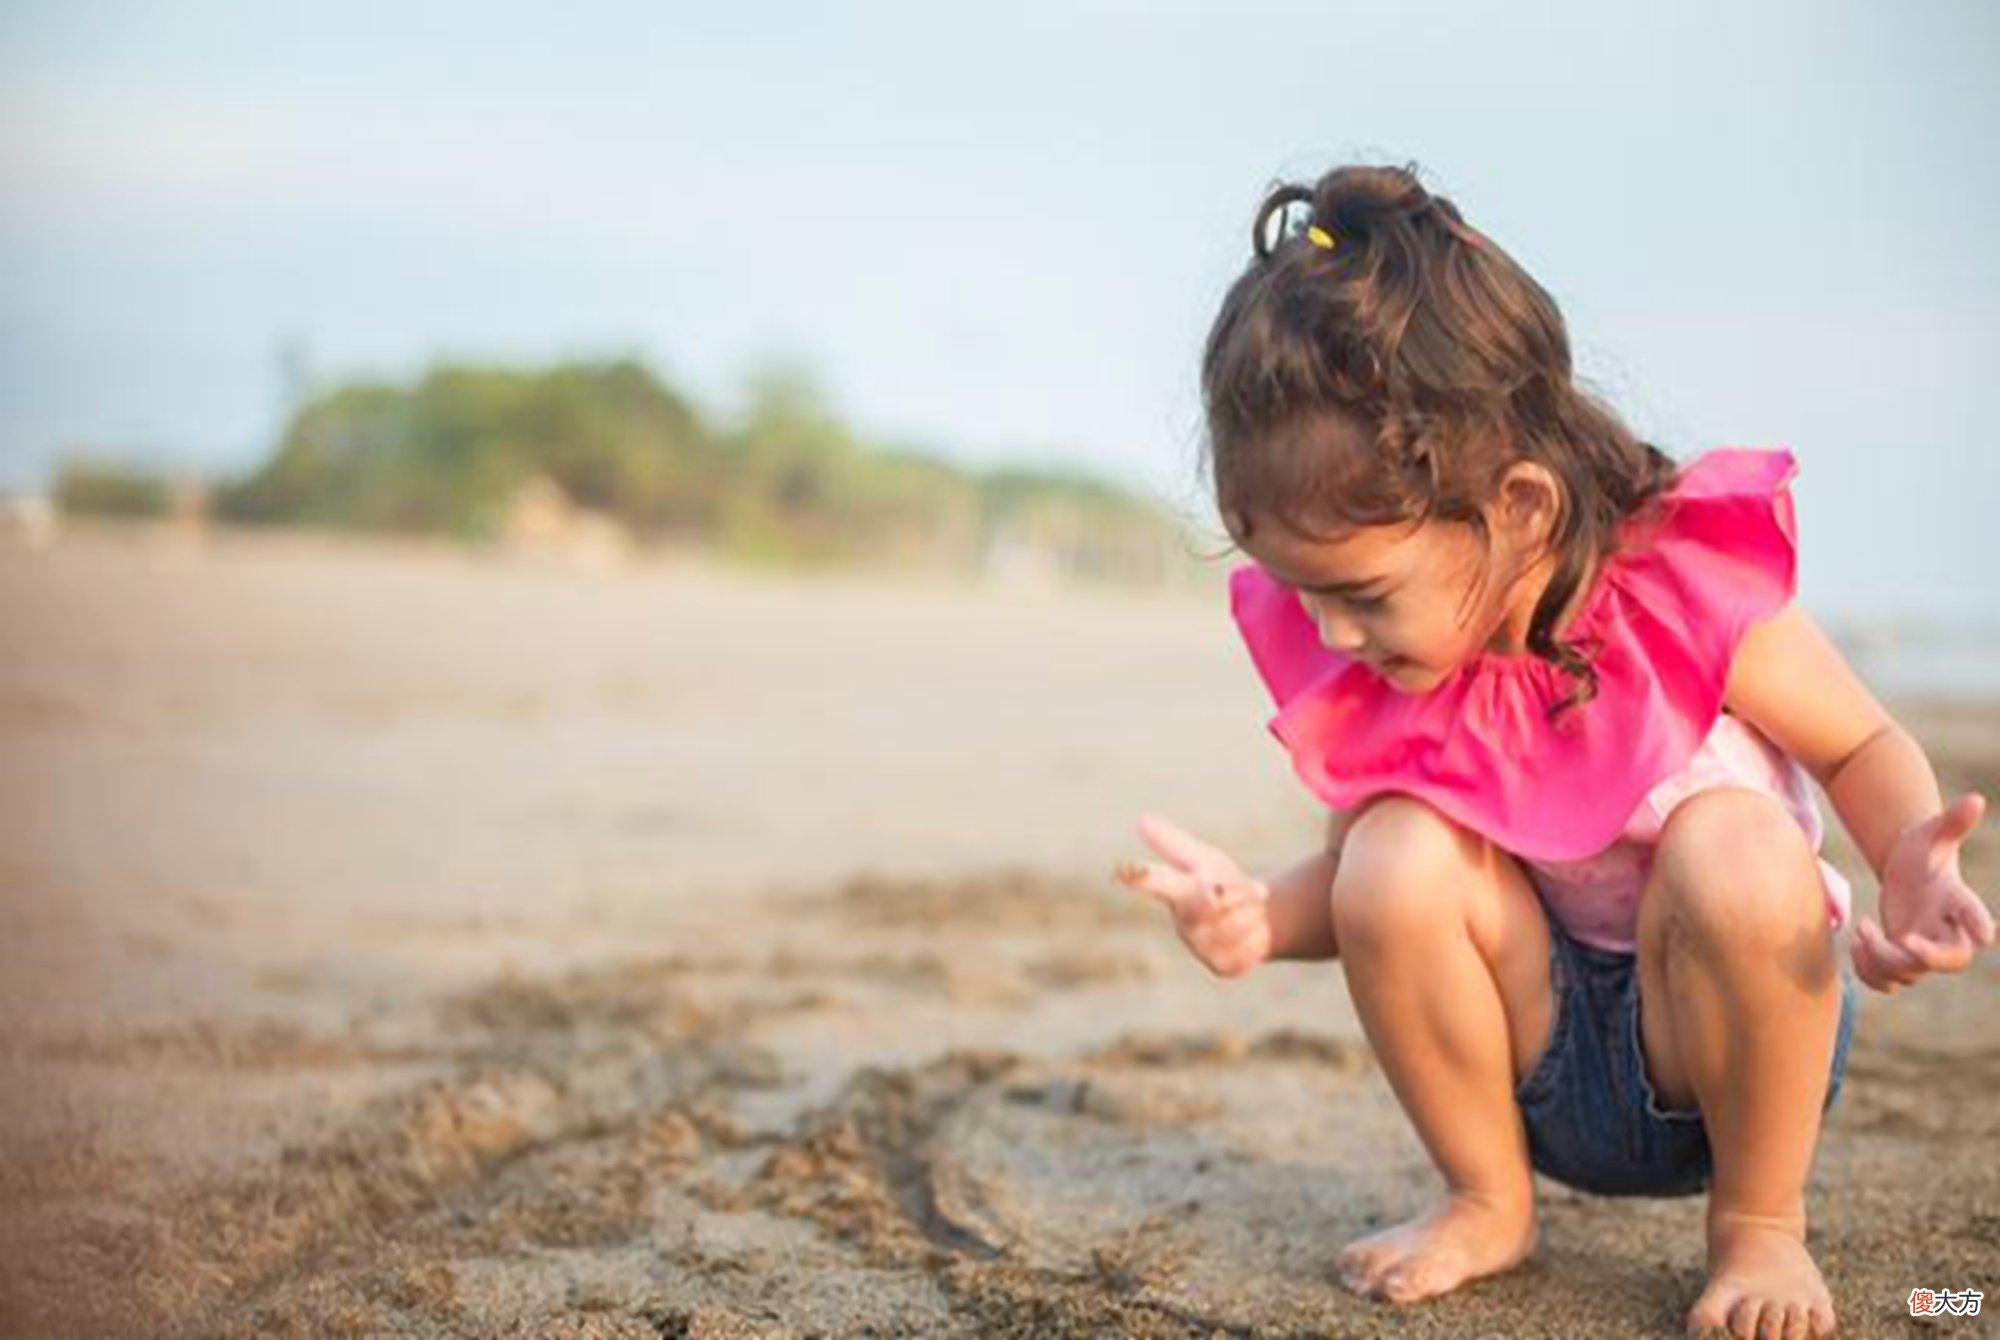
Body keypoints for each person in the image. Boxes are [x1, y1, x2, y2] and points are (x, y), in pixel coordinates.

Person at [1113, 162, 1993, 1340]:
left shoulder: (1678, 589)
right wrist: (1261, 918)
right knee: (1393, 845)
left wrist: (1905, 862)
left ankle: (1758, 1224)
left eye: (1359, 592)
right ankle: (1486, 1196)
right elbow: (1361, 887)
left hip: (1726, 1048)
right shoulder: (1403, 663)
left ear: (1518, 508)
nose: (1329, 634)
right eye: (1299, 592)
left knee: (1729, 841)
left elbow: (1856, 743)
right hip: (1524, 1063)